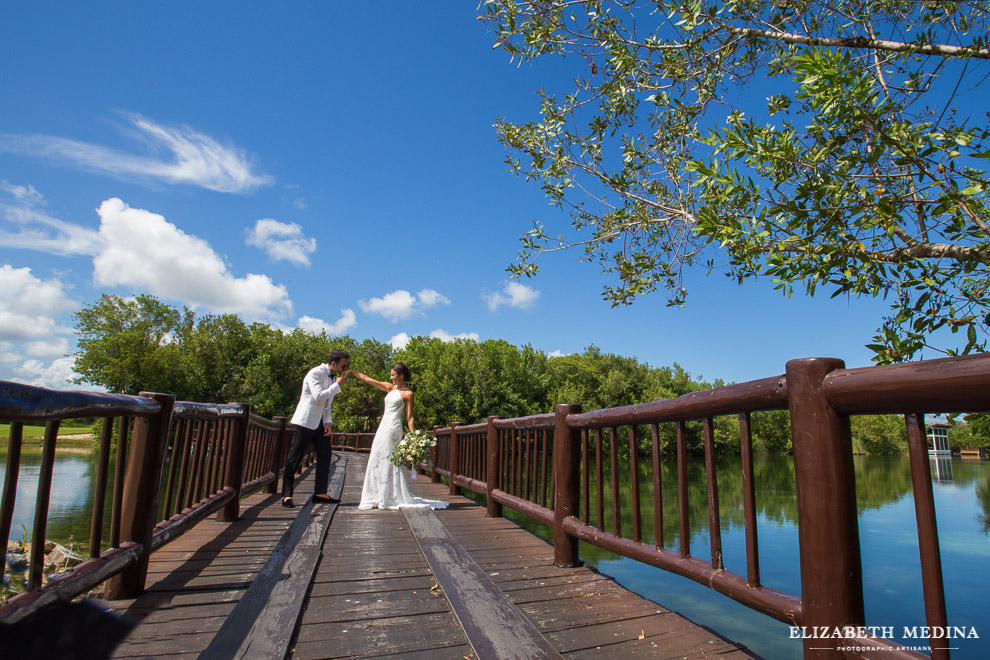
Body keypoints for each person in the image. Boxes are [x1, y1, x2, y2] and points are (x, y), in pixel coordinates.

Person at [347, 363, 447, 510]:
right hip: (383, 427)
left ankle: (390, 495)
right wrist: (352, 372)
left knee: (391, 458)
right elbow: (368, 379)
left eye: (393, 375)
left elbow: (410, 416)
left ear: (401, 376)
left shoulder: (408, 394)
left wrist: (413, 434)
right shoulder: (389, 387)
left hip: (393, 428)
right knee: (377, 455)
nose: (391, 377)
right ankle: (377, 494)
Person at [281, 349, 349, 507]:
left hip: (320, 422)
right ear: (334, 364)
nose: (345, 369)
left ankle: (320, 492)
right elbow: (318, 396)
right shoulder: (315, 373)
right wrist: (337, 385)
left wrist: (328, 422)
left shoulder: (332, 379)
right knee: (295, 457)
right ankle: (287, 495)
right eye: (343, 366)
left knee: (325, 454)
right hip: (304, 421)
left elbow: (327, 405)